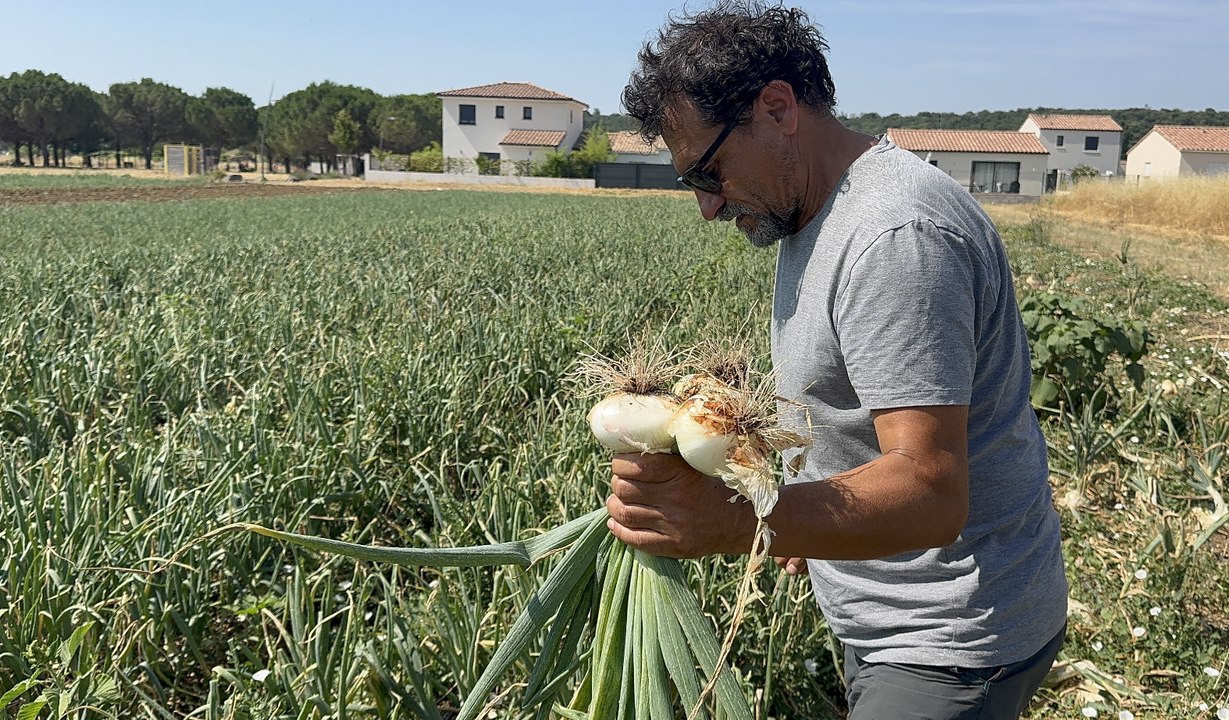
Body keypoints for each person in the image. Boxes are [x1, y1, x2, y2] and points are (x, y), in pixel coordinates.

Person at [606, 3, 1069, 718]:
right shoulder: (813, 208)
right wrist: (805, 510)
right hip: (899, 614)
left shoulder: (893, 235)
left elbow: (928, 490)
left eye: (707, 171)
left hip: (946, 638)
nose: (707, 206)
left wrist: (740, 522)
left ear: (776, 107)